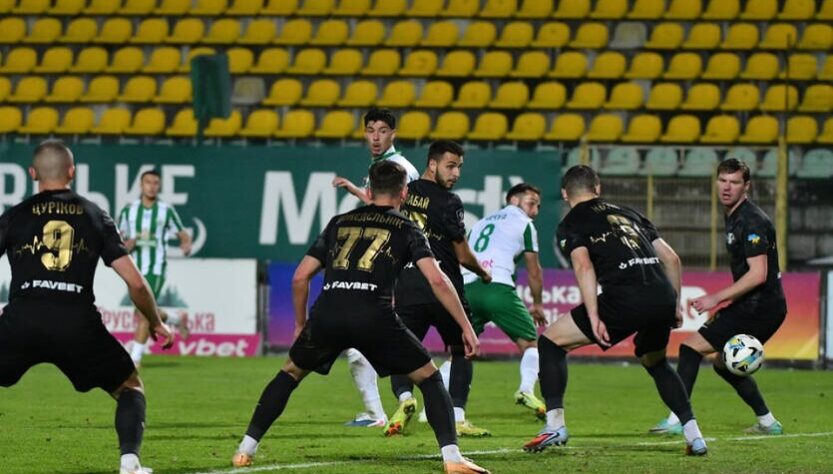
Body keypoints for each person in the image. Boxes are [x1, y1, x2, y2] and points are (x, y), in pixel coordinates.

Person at [232, 160, 490, 474]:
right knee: (430, 379)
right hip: (374, 316)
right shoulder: (407, 227)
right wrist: (465, 326)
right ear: (404, 194)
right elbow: (437, 280)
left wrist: (301, 324)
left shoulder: (338, 222)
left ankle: (245, 449)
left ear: (368, 191)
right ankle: (452, 459)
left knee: (289, 374)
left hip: (329, 313)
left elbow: (300, 277)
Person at [0, 140, 174, 474]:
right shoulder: (94, 215)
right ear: (72, 172)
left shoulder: (15, 215)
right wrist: (155, 321)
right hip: (77, 324)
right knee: (130, 386)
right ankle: (130, 464)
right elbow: (137, 284)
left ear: (33, 173)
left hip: (22, 320)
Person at [523, 165, 707, 456]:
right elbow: (672, 259)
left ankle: (555, 425)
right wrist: (672, 304)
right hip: (661, 295)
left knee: (550, 343)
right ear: (597, 188)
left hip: (624, 297)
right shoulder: (630, 213)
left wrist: (594, 315)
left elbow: (583, 266)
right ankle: (694, 435)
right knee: (655, 361)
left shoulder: (571, 222)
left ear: (565, 194)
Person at [650, 158, 786, 436]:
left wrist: (717, 298)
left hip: (761, 307)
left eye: (734, 182)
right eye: (723, 180)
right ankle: (768, 422)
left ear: (746, 187)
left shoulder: (752, 220)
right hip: (756, 305)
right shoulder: (735, 215)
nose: (727, 187)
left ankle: (678, 420)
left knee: (690, 349)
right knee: (724, 365)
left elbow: (758, 274)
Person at [386, 140, 493, 438]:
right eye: (451, 166)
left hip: (408, 285)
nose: (456, 173)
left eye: (459, 167)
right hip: (443, 287)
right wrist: (482, 272)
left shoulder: (403, 194)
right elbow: (462, 255)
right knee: (462, 350)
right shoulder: (449, 201)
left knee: (401, 351)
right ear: (432, 164)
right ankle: (457, 417)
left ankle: (405, 399)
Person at [327, 107, 420, 427]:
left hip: (401, 263)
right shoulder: (382, 166)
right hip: (394, 261)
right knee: (370, 340)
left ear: (393, 134)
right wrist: (356, 190)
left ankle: (395, 406)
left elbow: (406, 214)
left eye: (382, 130)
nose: (376, 137)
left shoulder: (399, 167)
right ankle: (392, 406)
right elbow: (384, 207)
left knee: (371, 340)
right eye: (371, 130)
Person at [462, 183, 548, 419]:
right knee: (530, 343)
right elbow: (534, 270)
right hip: (496, 287)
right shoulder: (524, 223)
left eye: (538, 206)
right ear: (514, 201)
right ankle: (526, 390)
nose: (535, 211)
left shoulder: (479, 223)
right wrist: (538, 304)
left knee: (461, 352)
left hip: (466, 288)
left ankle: (433, 409)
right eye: (531, 203)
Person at [118, 169, 191, 367]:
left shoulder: (166, 211)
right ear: (141, 185)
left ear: (159, 186)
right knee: (144, 311)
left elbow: (183, 234)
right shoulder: (129, 211)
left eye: (155, 183)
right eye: (148, 182)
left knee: (143, 314)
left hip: (156, 268)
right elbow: (118, 240)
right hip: (134, 268)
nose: (151, 186)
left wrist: (186, 245)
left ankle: (135, 360)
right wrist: (128, 244)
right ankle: (175, 319)